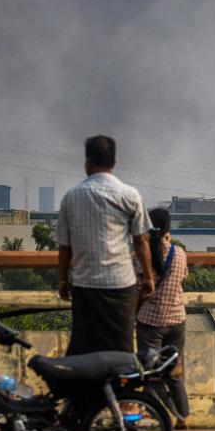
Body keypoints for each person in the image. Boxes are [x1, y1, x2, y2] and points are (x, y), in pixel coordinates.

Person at [57, 135, 155, 355]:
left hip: (85, 285)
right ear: (114, 162)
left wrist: (63, 279)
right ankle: (121, 388)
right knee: (121, 347)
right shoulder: (130, 195)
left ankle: (87, 389)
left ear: (88, 162)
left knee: (84, 348)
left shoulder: (71, 197)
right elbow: (141, 241)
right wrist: (148, 277)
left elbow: (65, 247)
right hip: (121, 285)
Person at [136, 208, 191, 429]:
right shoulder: (180, 253)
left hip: (151, 321)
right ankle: (182, 417)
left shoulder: (143, 254)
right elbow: (183, 277)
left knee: (150, 371)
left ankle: (150, 412)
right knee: (174, 371)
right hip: (177, 319)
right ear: (168, 229)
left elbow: (138, 284)